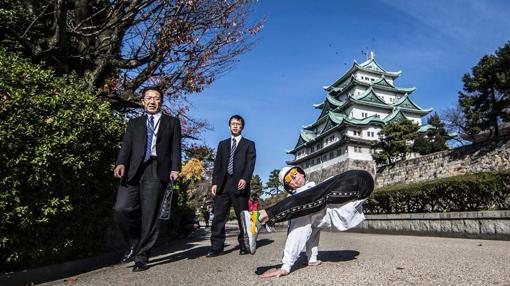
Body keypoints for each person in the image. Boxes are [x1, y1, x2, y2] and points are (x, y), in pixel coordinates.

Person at [240, 167, 374, 274]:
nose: (293, 177)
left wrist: (286, 265)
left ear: (302, 174)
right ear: (290, 187)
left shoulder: (311, 195)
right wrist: (312, 258)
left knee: (308, 202)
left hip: (358, 179)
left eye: (294, 173)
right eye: (288, 179)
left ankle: (259, 217)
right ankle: (257, 218)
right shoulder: (304, 206)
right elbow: (309, 231)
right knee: (307, 209)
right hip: (356, 191)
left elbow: (298, 229)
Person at [113, 87, 181, 272]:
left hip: (157, 169)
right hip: (134, 170)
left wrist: (176, 168)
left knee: (150, 216)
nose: (152, 101)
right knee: (121, 208)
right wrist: (121, 163)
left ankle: (141, 256)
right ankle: (133, 242)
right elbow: (126, 145)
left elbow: (176, 147)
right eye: (148, 98)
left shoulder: (172, 122)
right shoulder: (134, 123)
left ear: (161, 101)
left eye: (156, 98)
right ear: (143, 101)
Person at [207, 115, 256, 257]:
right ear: (229, 126)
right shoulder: (222, 144)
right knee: (218, 217)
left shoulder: (249, 144)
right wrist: (214, 182)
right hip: (223, 185)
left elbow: (250, 164)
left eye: (238, 124)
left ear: (242, 127)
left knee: (242, 217)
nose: (235, 126)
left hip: (240, 184)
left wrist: (245, 179)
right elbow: (217, 165)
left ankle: (244, 245)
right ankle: (216, 247)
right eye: (233, 124)